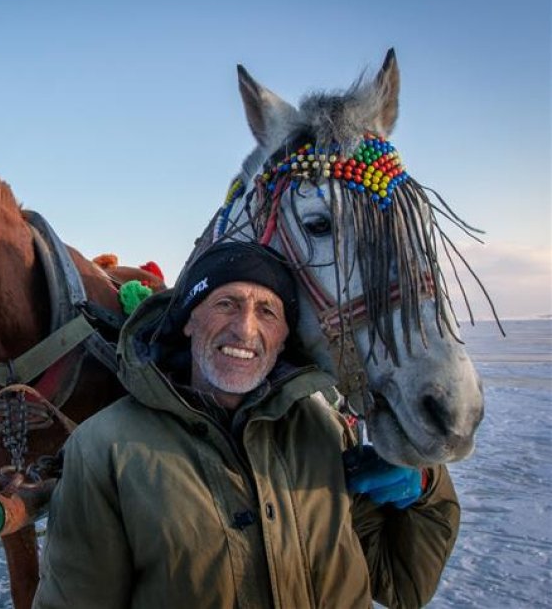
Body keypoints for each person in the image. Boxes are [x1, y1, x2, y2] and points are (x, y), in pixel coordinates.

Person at [33, 241, 460, 609]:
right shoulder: (106, 448)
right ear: (188, 320)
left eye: (268, 311)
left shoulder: (324, 430)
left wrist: (424, 486)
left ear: (283, 337)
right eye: (226, 304)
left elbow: (404, 584)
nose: (245, 329)